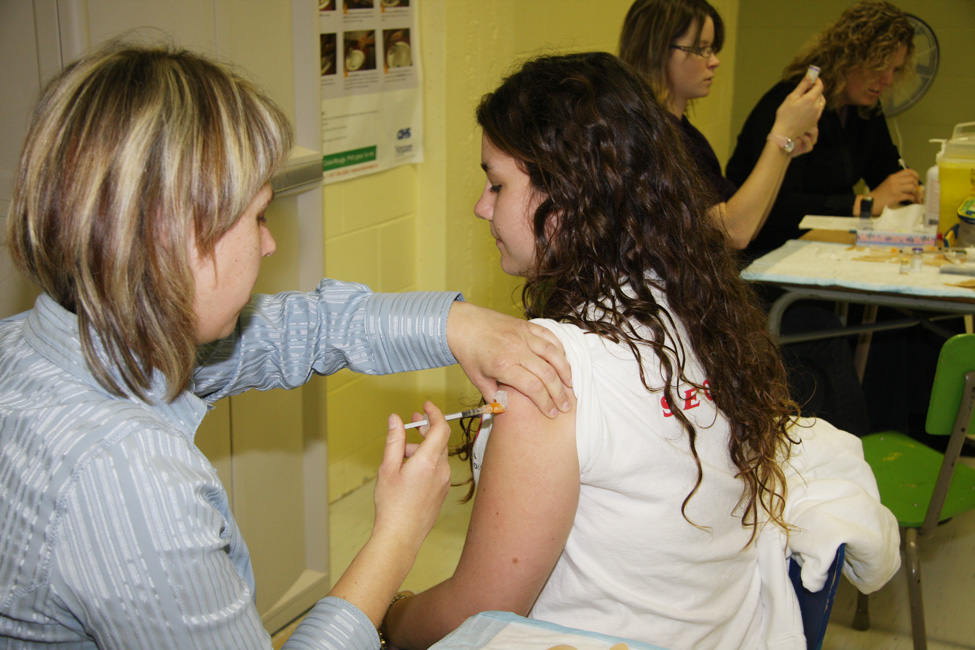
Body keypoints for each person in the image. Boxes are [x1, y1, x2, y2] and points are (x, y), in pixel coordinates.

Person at [0, 42, 574, 650]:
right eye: (258, 219)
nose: (269, 247)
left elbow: (299, 332)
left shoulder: (45, 347)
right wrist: (397, 537)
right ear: (175, 234)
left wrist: (455, 325)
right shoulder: (128, 479)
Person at [380, 52, 899, 650]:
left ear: (569, 194)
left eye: (497, 183)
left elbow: (476, 614)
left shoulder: (548, 381)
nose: (480, 205)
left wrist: (388, 612)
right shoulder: (697, 309)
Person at [618, 0, 824, 249]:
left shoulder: (686, 134)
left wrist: (786, 150)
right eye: (702, 49)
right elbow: (733, 232)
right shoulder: (646, 138)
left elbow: (750, 225)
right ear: (658, 51)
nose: (714, 61)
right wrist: (780, 137)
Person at [726, 0, 919, 258]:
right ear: (849, 56)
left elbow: (886, 172)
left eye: (894, 70)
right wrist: (864, 203)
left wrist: (908, 189)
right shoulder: (795, 103)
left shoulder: (865, 109)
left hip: (821, 248)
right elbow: (780, 208)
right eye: (881, 66)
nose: (888, 80)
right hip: (767, 252)